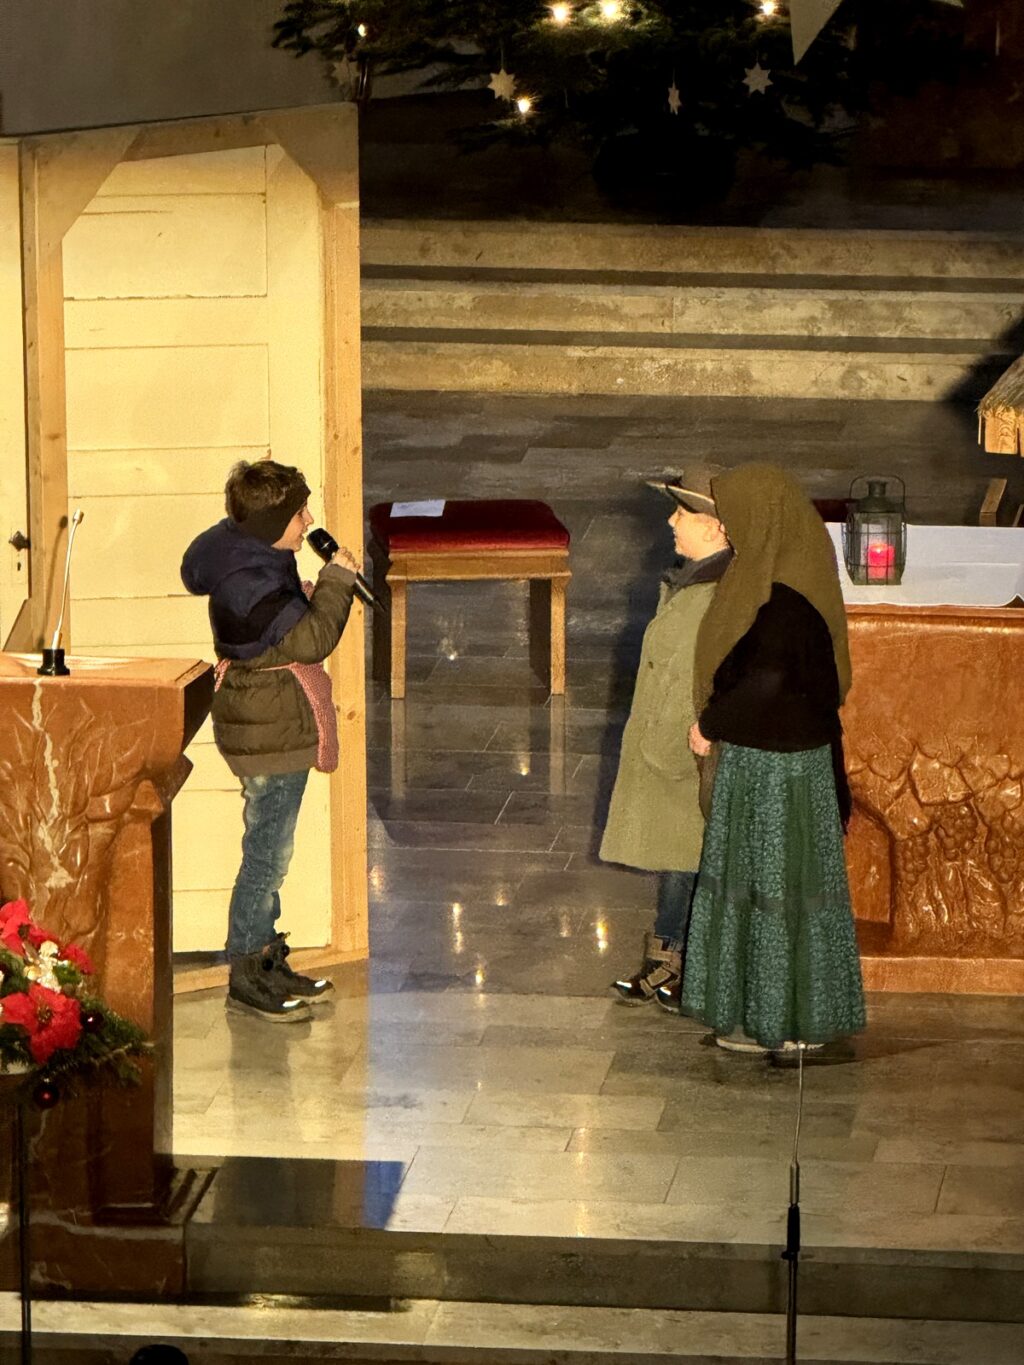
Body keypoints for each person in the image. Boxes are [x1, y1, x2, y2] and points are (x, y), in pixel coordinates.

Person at [680, 463, 866, 1055]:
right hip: (782, 762)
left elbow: (766, 680)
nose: (729, 530)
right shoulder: (785, 575)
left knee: (774, 896)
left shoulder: (785, 602)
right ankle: (776, 1015)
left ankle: (782, 1023)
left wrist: (710, 725)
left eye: (735, 518)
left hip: (776, 771)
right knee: (778, 894)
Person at [181, 460, 359, 1023]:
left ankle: (266, 957)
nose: (309, 521)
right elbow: (312, 640)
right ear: (269, 524)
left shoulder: (247, 554)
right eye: (298, 512)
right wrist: (336, 581)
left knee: (269, 852)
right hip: (270, 729)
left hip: (265, 721)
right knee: (267, 858)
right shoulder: (253, 583)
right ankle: (246, 975)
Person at [601, 478, 732, 1007]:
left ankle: (686, 967)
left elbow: (707, 676)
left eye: (682, 514)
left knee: (688, 855)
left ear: (715, 527)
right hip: (673, 741)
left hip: (690, 746)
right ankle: (669, 960)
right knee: (678, 857)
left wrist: (683, 738)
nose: (670, 521)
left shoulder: (720, 590)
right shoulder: (692, 577)